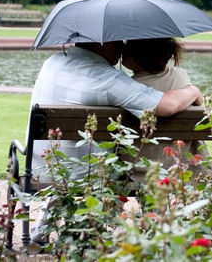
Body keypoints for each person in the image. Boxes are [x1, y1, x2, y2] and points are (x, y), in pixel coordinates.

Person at [30, 40, 201, 243]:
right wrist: (194, 91)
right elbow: (168, 105)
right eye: (117, 41)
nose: (122, 46)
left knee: (72, 153)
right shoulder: (106, 78)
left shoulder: (53, 62)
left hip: (39, 164)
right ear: (100, 44)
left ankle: (45, 224)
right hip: (87, 173)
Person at [122, 38, 209, 181]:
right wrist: (194, 91)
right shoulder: (181, 77)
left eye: (128, 46)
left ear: (138, 56)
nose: (123, 49)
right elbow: (200, 101)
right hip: (182, 169)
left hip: (136, 171)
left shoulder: (128, 86)